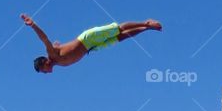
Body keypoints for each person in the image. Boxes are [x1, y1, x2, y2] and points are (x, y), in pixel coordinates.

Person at [21, 15, 162, 73]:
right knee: (121, 37)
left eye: (43, 70)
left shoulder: (51, 54)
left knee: (117, 29)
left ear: (44, 63)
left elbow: (44, 38)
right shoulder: (59, 63)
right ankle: (146, 28)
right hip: (91, 48)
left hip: (87, 38)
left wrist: (33, 25)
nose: (45, 73)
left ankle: (146, 22)